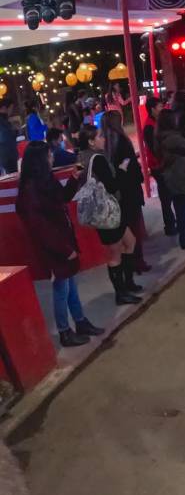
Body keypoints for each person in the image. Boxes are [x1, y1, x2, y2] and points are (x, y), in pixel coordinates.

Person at [15, 141, 105, 347]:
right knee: (61, 289)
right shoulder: (30, 191)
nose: (52, 158)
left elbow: (63, 198)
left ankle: (80, 321)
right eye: (49, 155)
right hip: (54, 249)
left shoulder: (45, 180)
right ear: (39, 160)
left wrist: (73, 178)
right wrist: (64, 250)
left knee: (70, 286)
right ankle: (65, 331)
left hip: (63, 241)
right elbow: (41, 229)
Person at [77, 125, 142, 305]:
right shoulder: (97, 159)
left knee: (130, 241)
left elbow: (79, 177)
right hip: (106, 212)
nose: (104, 138)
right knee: (115, 254)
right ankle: (121, 293)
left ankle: (128, 283)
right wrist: (121, 169)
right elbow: (112, 186)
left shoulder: (81, 157)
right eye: (99, 136)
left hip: (107, 212)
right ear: (91, 142)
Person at [101, 110, 149, 273]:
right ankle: (137, 262)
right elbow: (128, 163)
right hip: (129, 188)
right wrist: (132, 167)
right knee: (134, 227)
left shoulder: (104, 143)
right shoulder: (121, 141)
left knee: (125, 229)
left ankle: (130, 263)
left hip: (116, 190)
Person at [156, 109, 185, 250]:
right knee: (184, 210)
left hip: (180, 175)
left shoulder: (170, 135)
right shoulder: (170, 138)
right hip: (179, 177)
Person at [142, 96, 176, 236]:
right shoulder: (149, 127)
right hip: (158, 165)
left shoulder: (158, 122)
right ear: (152, 109)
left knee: (170, 194)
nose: (163, 108)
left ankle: (175, 222)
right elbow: (155, 149)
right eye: (160, 107)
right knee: (166, 197)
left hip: (164, 163)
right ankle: (170, 226)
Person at [0, 98, 18, 175]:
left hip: (9, 155)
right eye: (11, 108)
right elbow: (4, 137)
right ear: (4, 108)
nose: (11, 111)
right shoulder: (2, 121)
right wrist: (14, 131)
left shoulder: (5, 120)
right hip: (6, 156)